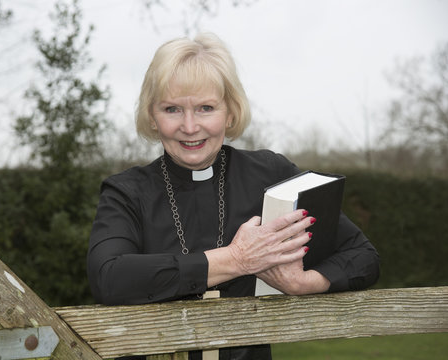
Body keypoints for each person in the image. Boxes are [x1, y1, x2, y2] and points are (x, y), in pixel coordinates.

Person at [87, 33, 380, 360]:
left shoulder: (270, 174)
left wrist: (305, 283)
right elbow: (108, 277)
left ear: (230, 112)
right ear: (153, 118)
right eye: (172, 109)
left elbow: (362, 255)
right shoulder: (126, 191)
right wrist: (237, 259)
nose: (189, 126)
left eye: (205, 108)